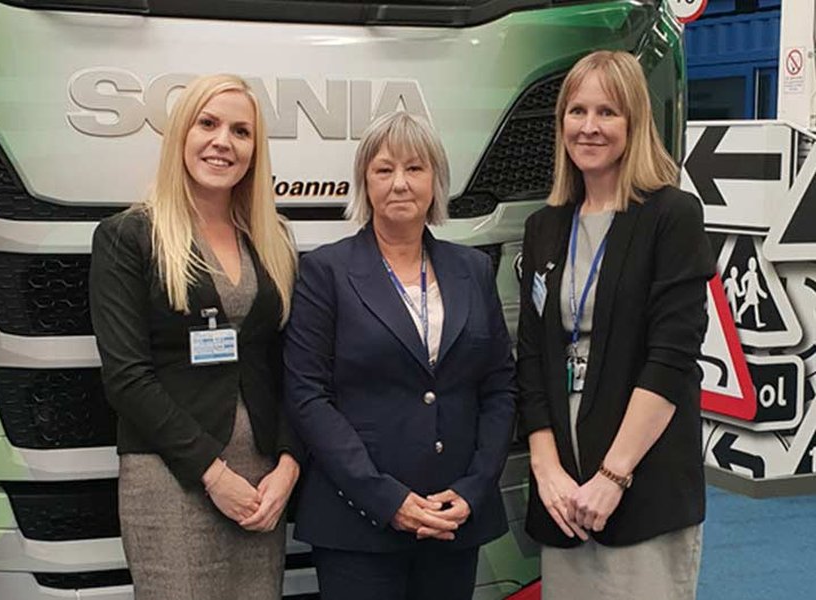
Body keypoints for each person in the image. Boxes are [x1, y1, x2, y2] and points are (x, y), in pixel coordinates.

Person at [283, 111, 516, 600]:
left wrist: (474, 488)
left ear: (436, 180)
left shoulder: (471, 269)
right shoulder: (326, 271)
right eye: (384, 169)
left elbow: (499, 387)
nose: (400, 184)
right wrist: (386, 499)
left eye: (415, 168)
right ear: (364, 182)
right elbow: (308, 396)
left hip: (453, 521)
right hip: (358, 526)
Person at [89, 74, 300, 600]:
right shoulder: (127, 237)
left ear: (256, 149)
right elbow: (126, 378)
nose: (222, 142)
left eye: (240, 131)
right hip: (172, 477)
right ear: (182, 134)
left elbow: (293, 365)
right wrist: (213, 474)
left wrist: (290, 466)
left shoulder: (274, 239)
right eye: (207, 124)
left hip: (261, 482)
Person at [515, 50, 715, 600]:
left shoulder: (671, 216)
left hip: (641, 483)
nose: (590, 126)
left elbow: (672, 357)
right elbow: (532, 356)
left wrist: (613, 476)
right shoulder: (544, 227)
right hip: (563, 490)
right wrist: (547, 469)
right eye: (576, 111)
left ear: (634, 122)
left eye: (608, 112)